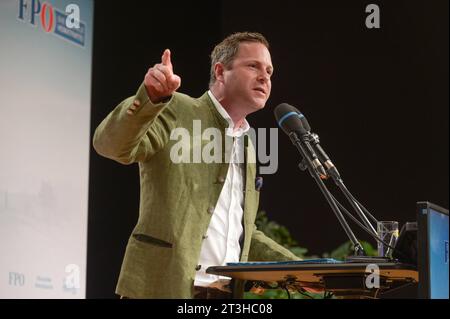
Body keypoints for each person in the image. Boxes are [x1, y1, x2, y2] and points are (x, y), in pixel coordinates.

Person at [93, 32, 300, 299]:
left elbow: (243, 232)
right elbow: (109, 145)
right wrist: (150, 98)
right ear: (221, 72)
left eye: (269, 71)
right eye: (253, 66)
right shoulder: (176, 109)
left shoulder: (247, 146)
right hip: (161, 289)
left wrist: (306, 269)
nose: (265, 77)